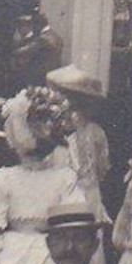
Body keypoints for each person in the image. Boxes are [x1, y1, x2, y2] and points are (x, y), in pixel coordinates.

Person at [0, 86, 82, 264]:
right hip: (52, 253)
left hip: (13, 254)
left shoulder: (3, 178)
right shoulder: (65, 177)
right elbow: (73, 221)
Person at [46, 65, 110, 224]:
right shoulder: (51, 132)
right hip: (58, 193)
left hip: (86, 195)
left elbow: (100, 169)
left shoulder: (94, 132)